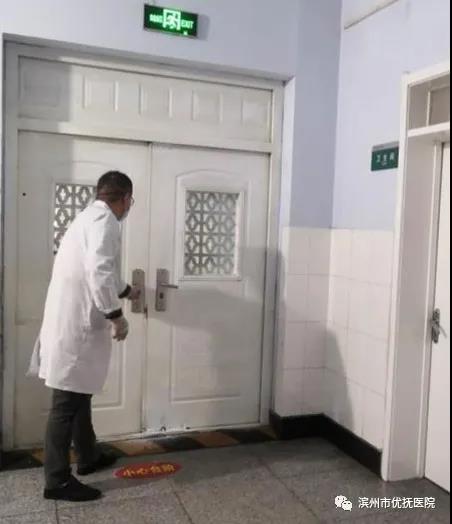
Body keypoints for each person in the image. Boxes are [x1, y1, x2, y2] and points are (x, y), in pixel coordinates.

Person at [28, 171, 140, 502]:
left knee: (80, 395)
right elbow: (98, 270)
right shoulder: (106, 221)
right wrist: (116, 315)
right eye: (130, 201)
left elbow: (101, 270)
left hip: (69, 321)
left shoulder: (87, 218)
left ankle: (88, 456)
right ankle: (57, 481)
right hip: (76, 327)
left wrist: (127, 290)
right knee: (65, 404)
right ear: (125, 198)